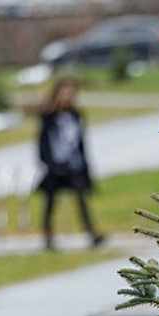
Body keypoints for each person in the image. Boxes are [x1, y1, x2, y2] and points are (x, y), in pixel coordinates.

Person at [36, 79, 104, 250]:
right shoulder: (48, 116)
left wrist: (86, 164)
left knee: (82, 199)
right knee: (50, 201)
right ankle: (48, 236)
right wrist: (47, 163)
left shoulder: (76, 115)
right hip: (55, 166)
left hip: (74, 165)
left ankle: (92, 234)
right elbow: (43, 142)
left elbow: (81, 141)